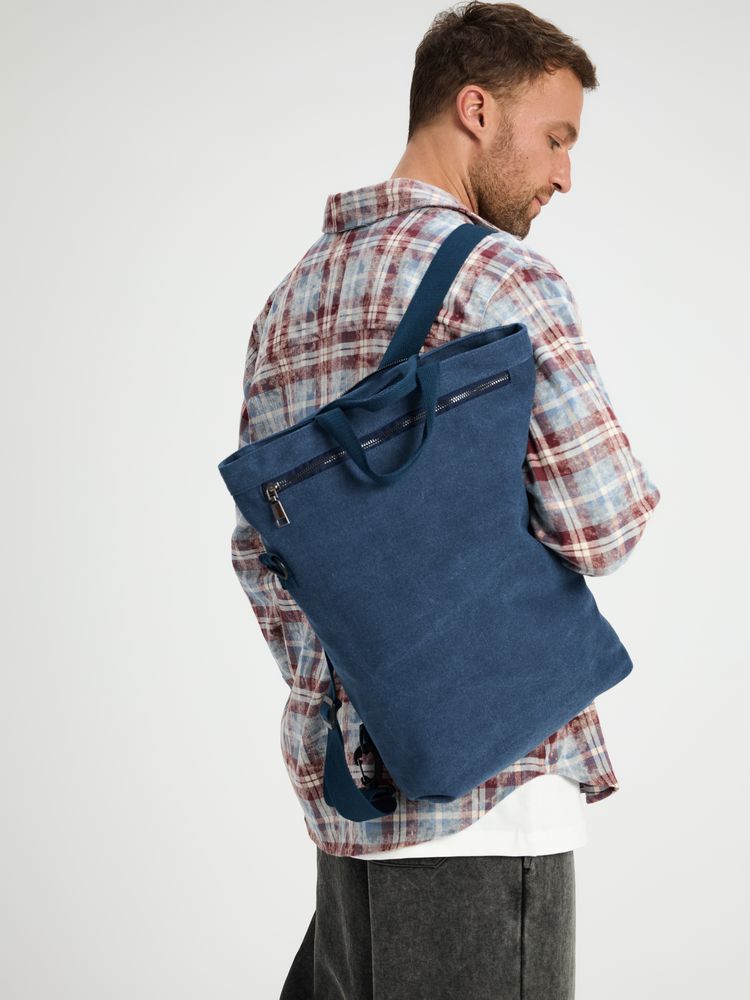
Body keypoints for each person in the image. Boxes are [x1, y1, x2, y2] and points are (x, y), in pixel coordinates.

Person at [228, 3, 661, 997]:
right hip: (490, 806)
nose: (565, 174)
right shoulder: (504, 276)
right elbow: (603, 523)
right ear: (476, 109)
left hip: (352, 811)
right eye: (557, 136)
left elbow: (262, 557)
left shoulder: (286, 306)